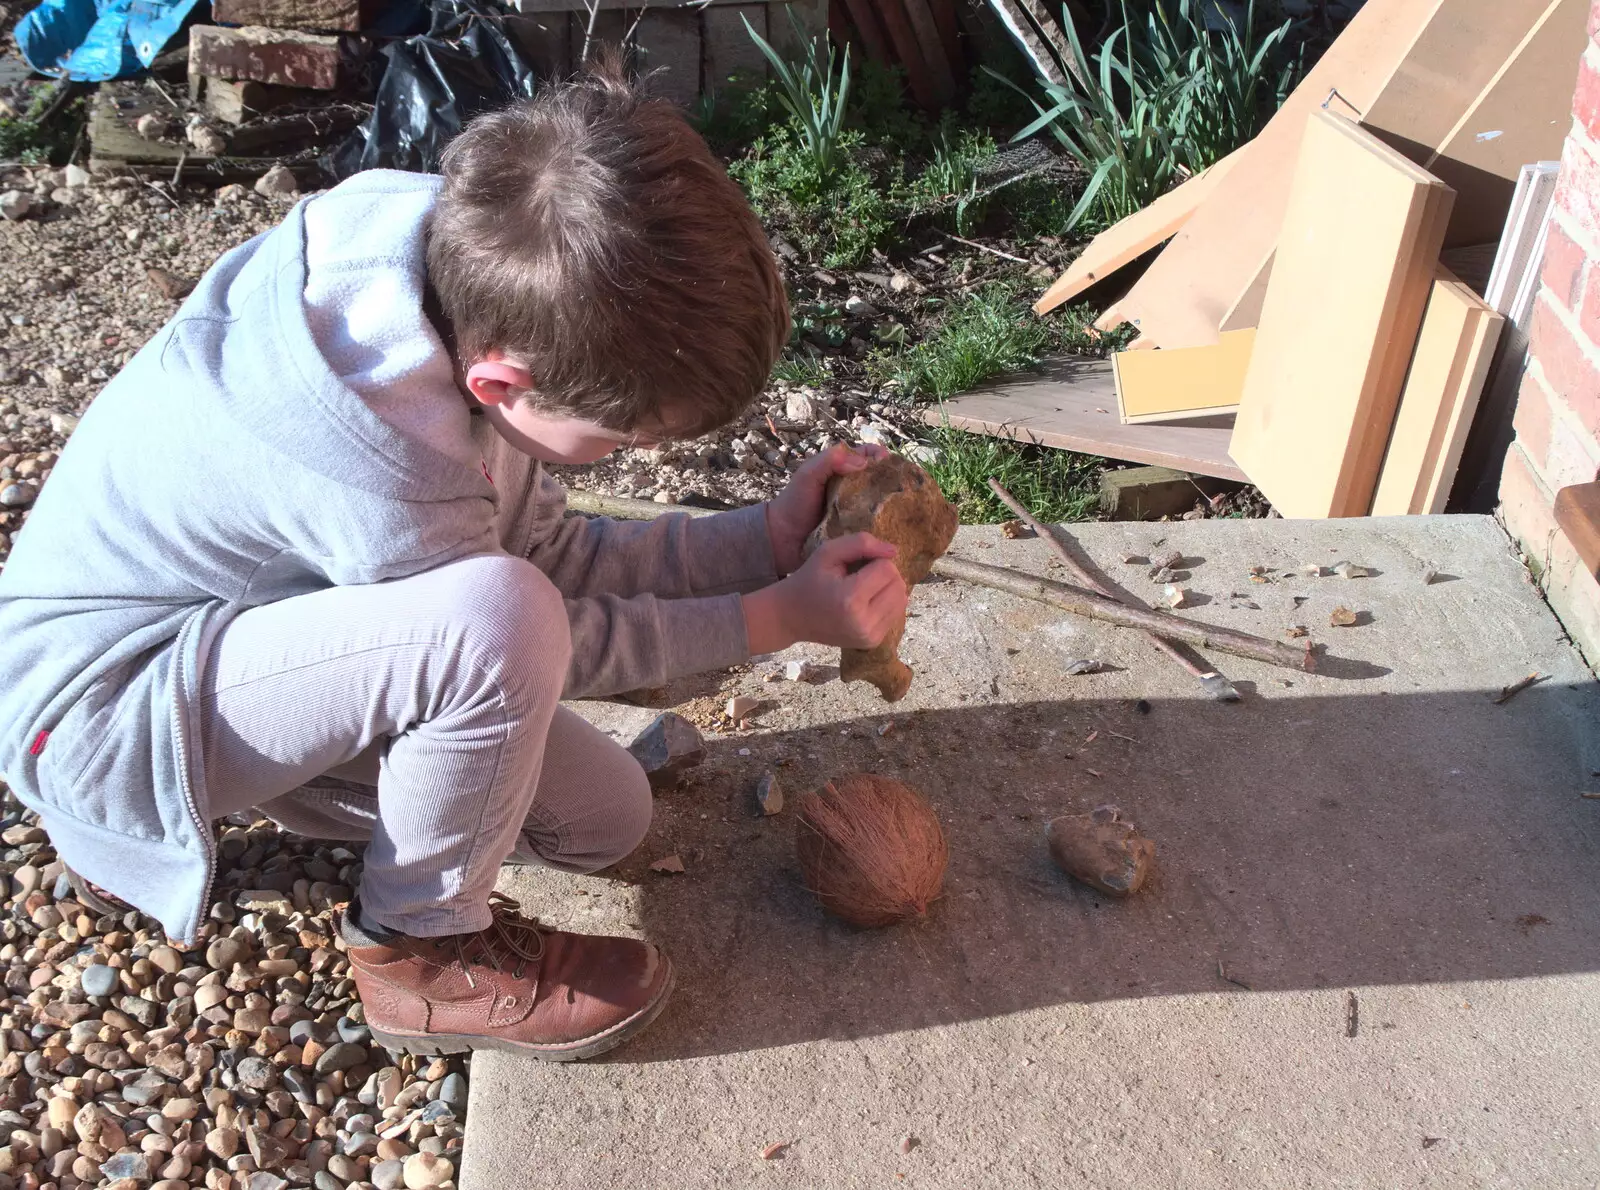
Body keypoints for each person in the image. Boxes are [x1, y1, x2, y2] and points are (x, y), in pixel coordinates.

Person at [0, 65, 909, 1062]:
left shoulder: (472, 267)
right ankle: (417, 951)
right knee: (497, 625)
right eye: (619, 444)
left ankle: (315, 797)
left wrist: (762, 542)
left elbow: (551, 548)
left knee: (608, 817)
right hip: (99, 708)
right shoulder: (380, 455)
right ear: (500, 382)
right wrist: (778, 618)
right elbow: (538, 628)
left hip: (241, 637)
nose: (630, 463)